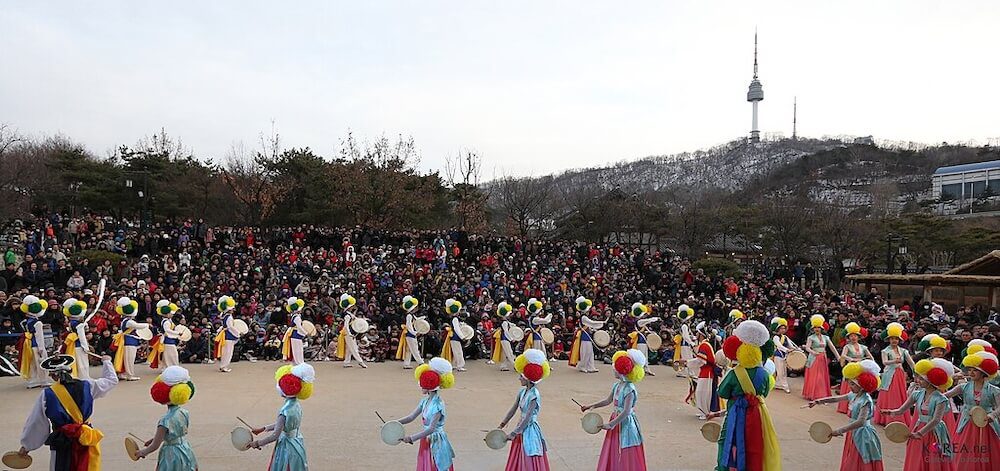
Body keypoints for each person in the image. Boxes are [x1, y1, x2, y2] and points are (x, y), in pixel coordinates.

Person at [18, 354, 118, 469]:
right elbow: (111, 380)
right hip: (85, 437)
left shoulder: (47, 394)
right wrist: (107, 362)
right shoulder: (88, 386)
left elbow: (37, 422)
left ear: (53, 376)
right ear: (70, 370)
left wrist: (26, 446)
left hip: (62, 440)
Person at [715, 320, 781, 471]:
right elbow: (764, 393)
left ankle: (724, 467)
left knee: (726, 440)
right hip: (757, 413)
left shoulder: (733, 373)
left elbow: (722, 392)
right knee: (753, 441)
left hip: (735, 412)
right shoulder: (764, 374)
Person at [807, 360, 884, 471]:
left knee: (859, 458)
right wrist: (818, 401)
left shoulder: (866, 401)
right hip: (853, 431)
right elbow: (836, 398)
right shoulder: (853, 395)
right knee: (851, 456)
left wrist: (839, 431)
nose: (849, 386)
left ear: (862, 385)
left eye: (853, 384)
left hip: (863, 434)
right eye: (849, 383)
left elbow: (860, 422)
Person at [882, 358, 957, 470]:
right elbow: (902, 409)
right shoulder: (917, 394)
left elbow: (936, 420)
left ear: (931, 380)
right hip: (918, 428)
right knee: (917, 455)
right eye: (917, 377)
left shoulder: (941, 399)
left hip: (934, 432)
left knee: (932, 456)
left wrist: (920, 433)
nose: (917, 380)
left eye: (921, 378)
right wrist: (892, 412)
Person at [580, 348, 648, 471]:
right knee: (615, 446)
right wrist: (590, 406)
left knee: (624, 447)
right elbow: (608, 400)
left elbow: (627, 411)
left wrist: (611, 424)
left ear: (622, 371)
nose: (613, 369)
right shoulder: (617, 385)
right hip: (616, 419)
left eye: (615, 368)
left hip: (625, 423)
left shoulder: (630, 389)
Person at [247, 363, 316, 470]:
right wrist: (263, 429)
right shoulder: (296, 405)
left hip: (286, 447)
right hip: (297, 442)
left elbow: (275, 435)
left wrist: (257, 443)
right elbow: (284, 425)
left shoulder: (284, 411)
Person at [394, 357, 456, 471]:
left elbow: (431, 429)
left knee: (435, 465)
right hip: (426, 438)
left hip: (436, 440)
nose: (420, 387)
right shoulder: (425, 401)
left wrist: (412, 438)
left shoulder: (438, 405)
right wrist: (393, 423)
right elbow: (411, 417)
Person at [134, 365, 198, 470]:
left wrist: (142, 452)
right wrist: (153, 439)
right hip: (185, 448)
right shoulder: (184, 412)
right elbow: (173, 433)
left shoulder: (165, 421)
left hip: (171, 454)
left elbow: (155, 445)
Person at [945, 350, 1000, 470]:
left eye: (975, 370)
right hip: (967, 424)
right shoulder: (963, 387)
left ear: (984, 372)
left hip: (986, 424)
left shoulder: (994, 390)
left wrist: (992, 415)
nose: (971, 372)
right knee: (964, 451)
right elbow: (944, 396)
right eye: (969, 369)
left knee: (987, 452)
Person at [497, 350, 551, 471]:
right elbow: (513, 409)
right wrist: (502, 424)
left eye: (521, 376)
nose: (519, 378)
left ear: (527, 379)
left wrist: (514, 433)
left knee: (529, 453)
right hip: (520, 426)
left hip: (529, 428)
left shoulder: (534, 395)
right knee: (520, 453)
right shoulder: (522, 392)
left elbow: (527, 418)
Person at [874, 322, 915, 426]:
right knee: (889, 394)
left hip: (900, 375)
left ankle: (899, 417)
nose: (894, 341)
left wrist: (916, 372)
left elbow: (911, 363)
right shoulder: (885, 351)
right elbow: (884, 362)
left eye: (896, 339)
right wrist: (894, 361)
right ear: (888, 339)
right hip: (889, 374)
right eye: (892, 338)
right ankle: (886, 418)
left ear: (899, 340)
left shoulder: (904, 351)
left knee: (900, 394)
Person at [685, 323, 721, 420]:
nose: (696, 335)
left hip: (707, 372)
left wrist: (686, 362)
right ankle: (703, 410)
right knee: (702, 392)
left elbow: (700, 361)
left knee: (703, 392)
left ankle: (705, 412)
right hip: (706, 371)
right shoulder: (704, 345)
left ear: (700, 334)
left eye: (697, 333)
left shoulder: (704, 345)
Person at [837, 323, 874, 414]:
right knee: (850, 385)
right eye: (851, 336)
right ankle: (846, 406)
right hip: (851, 368)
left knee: (859, 386)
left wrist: (867, 361)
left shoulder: (863, 347)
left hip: (860, 368)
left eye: (855, 336)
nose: (853, 338)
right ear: (848, 338)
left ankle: (858, 406)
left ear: (858, 337)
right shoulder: (847, 346)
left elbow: (871, 357)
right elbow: (843, 355)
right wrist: (851, 359)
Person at [802, 314, 841, 400]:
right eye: (815, 327)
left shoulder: (826, 337)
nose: (817, 329)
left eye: (818, 327)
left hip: (823, 357)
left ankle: (820, 393)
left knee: (822, 376)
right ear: (812, 328)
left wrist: (838, 357)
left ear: (821, 328)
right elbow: (807, 348)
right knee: (815, 376)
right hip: (814, 358)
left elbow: (832, 347)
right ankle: (812, 393)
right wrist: (813, 352)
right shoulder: (810, 337)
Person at [17, 295, 52, 388]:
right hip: (36, 344)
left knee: (32, 362)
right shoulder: (38, 322)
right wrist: (41, 348)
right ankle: (43, 380)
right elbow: (39, 336)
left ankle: (33, 380)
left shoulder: (26, 321)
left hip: (28, 344)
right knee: (41, 362)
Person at [113, 296, 148, 381]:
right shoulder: (129, 322)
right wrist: (147, 325)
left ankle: (123, 373)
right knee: (129, 360)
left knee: (126, 359)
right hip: (129, 342)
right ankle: (130, 375)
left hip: (129, 341)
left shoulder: (125, 320)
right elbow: (139, 326)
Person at [570, 297, 603, 374]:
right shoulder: (584, 317)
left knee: (590, 351)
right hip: (584, 336)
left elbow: (590, 325)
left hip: (587, 334)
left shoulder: (585, 317)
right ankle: (582, 366)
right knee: (585, 351)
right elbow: (592, 323)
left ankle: (590, 366)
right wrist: (601, 323)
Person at [61, 298, 91, 379]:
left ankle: (76, 377)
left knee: (75, 362)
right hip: (78, 345)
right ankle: (84, 377)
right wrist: (86, 347)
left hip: (72, 345)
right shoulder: (79, 325)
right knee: (82, 363)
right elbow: (82, 337)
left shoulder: (71, 322)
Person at [770, 317, 800, 394]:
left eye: (784, 328)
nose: (783, 330)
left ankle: (777, 384)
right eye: (781, 328)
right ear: (778, 329)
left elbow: (791, 345)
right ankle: (785, 386)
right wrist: (787, 350)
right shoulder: (775, 337)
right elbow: (779, 346)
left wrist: (797, 349)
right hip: (778, 356)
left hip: (784, 356)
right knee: (780, 372)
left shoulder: (785, 337)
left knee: (783, 371)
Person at [149, 300, 182, 369]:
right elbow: (167, 330)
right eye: (171, 313)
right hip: (168, 339)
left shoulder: (168, 320)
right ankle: (172, 367)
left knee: (167, 355)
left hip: (169, 339)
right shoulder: (166, 322)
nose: (172, 315)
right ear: (167, 314)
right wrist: (178, 333)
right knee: (172, 355)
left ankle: (166, 367)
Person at [628, 305, 659, 377]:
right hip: (639, 341)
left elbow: (647, 328)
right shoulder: (639, 321)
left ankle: (646, 369)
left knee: (645, 356)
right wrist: (654, 319)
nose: (645, 316)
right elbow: (646, 321)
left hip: (644, 341)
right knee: (640, 356)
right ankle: (639, 370)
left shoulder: (642, 323)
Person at [397, 295, 426, 370]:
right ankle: (420, 362)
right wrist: (414, 333)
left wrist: (422, 318)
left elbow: (417, 320)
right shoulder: (409, 316)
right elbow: (409, 325)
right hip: (410, 334)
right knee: (414, 348)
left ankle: (406, 363)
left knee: (409, 349)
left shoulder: (411, 315)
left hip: (410, 333)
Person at [212, 295, 239, 373]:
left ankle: (223, 365)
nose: (233, 310)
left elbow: (224, 326)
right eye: (232, 309)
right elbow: (230, 327)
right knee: (228, 352)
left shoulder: (223, 316)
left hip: (224, 334)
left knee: (225, 351)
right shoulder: (229, 317)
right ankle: (224, 366)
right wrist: (237, 334)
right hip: (229, 335)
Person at [440, 298, 467, 372]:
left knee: (455, 351)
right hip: (455, 337)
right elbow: (457, 329)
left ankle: (454, 364)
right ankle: (460, 365)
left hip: (453, 337)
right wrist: (462, 337)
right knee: (458, 351)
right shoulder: (455, 319)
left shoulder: (454, 318)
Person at [523, 298, 551, 363]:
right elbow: (546, 321)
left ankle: (544, 364)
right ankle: (538, 364)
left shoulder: (532, 318)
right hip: (536, 337)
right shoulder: (535, 319)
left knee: (542, 351)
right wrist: (550, 315)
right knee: (539, 352)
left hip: (537, 336)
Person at [281, 297, 307, 366]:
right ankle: (299, 363)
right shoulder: (297, 317)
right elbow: (299, 327)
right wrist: (305, 333)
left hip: (294, 334)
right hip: (296, 334)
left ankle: (297, 362)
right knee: (298, 350)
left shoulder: (294, 316)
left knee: (297, 350)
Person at [676, 304, 696, 378]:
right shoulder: (684, 326)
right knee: (688, 358)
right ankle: (689, 373)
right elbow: (685, 336)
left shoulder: (685, 325)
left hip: (685, 344)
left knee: (686, 358)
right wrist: (691, 342)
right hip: (685, 344)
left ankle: (681, 371)